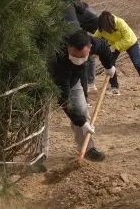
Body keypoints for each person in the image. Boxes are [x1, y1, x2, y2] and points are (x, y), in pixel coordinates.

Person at [49, 30, 117, 162]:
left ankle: (87, 149)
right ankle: (39, 156)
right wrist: (80, 122)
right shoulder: (57, 57)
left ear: (90, 47)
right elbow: (64, 100)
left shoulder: (92, 43)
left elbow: (104, 47)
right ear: (68, 47)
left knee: (82, 110)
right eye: (74, 55)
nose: (78, 60)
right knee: (42, 119)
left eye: (82, 56)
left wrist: (109, 65)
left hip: (74, 81)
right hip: (49, 82)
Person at [93, 10, 140, 97]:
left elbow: (127, 39)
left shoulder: (120, 22)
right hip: (115, 45)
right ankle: (114, 88)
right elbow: (95, 39)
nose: (105, 30)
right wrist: (92, 48)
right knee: (109, 64)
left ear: (110, 24)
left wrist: (114, 47)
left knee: (138, 63)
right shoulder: (101, 27)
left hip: (130, 43)